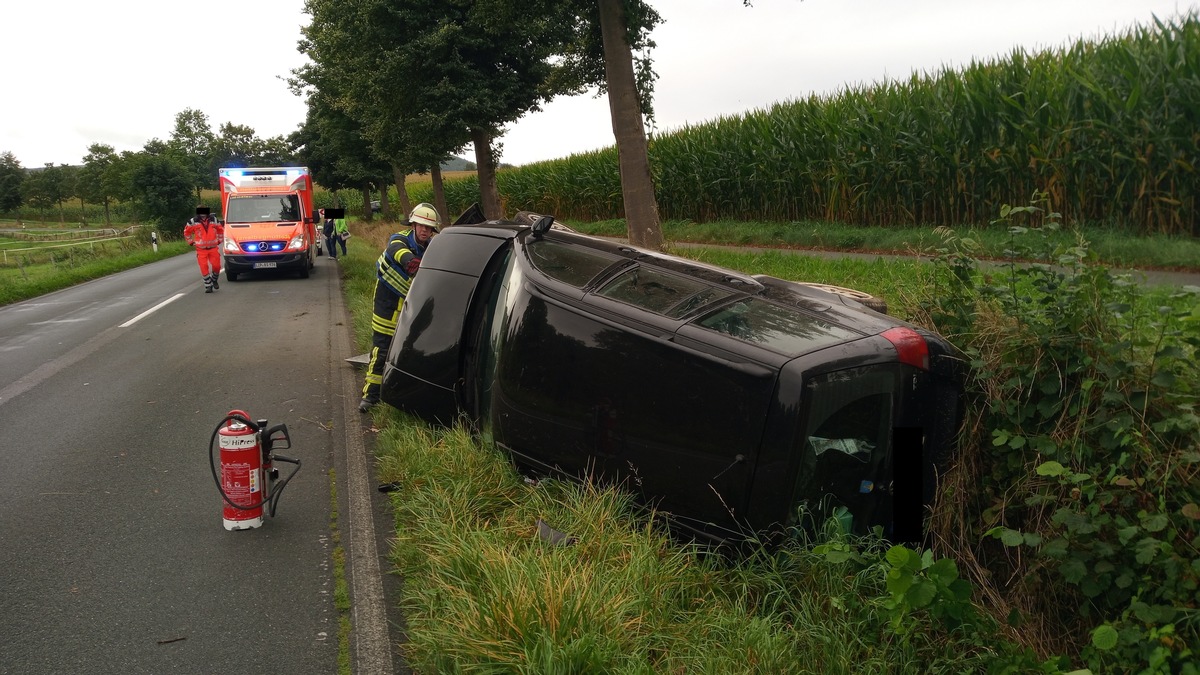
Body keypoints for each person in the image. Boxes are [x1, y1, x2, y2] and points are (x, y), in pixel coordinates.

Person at [359, 202, 440, 412]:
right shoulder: (399, 238)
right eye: (421, 225)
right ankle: (370, 396)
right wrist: (411, 261)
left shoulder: (432, 247)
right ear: (413, 224)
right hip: (387, 302)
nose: (424, 230)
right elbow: (396, 250)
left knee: (409, 348)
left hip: (411, 304)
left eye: (429, 227)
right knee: (382, 348)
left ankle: (399, 393)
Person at [183, 207, 224, 293]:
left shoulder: (213, 219)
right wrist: (191, 242)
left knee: (217, 266)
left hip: (213, 248)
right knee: (204, 267)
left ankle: (214, 280)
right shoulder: (193, 221)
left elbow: (221, 230)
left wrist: (220, 240)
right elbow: (187, 232)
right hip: (201, 249)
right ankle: (208, 286)